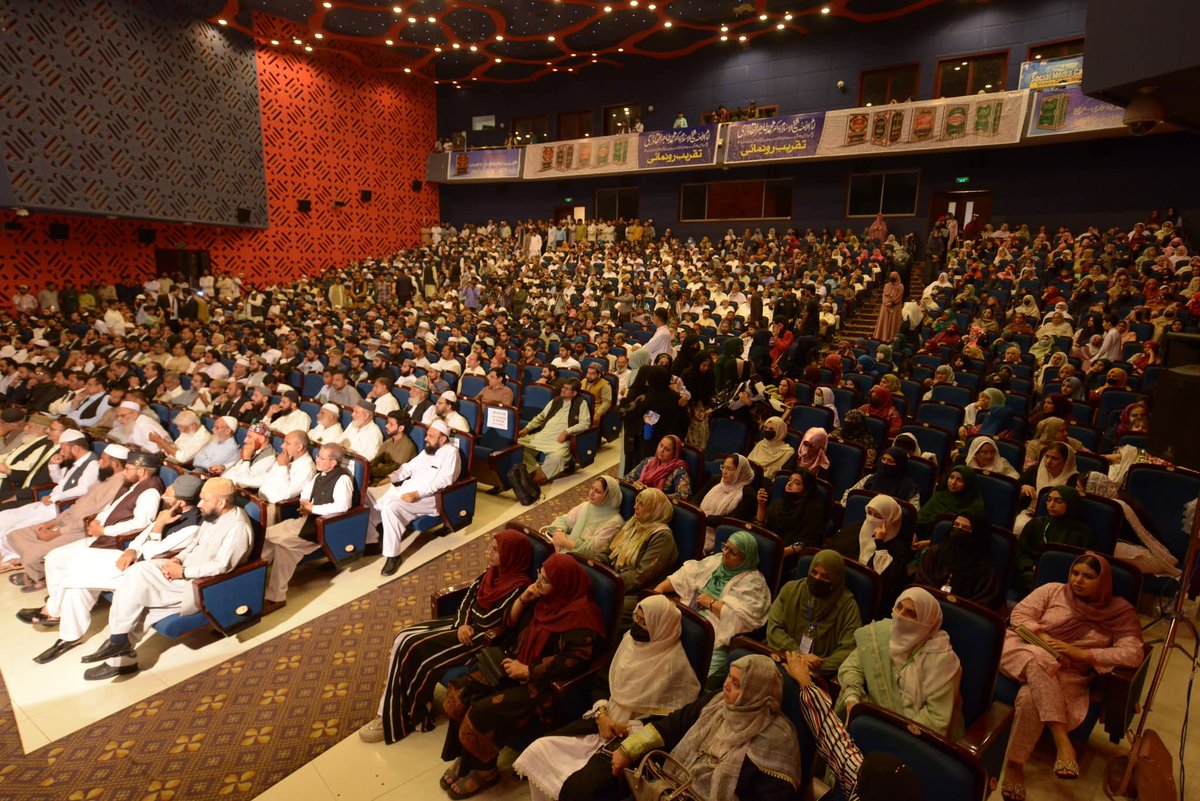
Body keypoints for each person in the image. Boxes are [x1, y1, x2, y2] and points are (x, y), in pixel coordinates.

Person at [440, 553, 605, 799]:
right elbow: (508, 625)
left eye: (546, 579)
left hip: (543, 686)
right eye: (540, 574)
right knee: (466, 688)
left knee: (484, 709)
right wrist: (523, 600)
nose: (538, 582)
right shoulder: (544, 597)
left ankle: (484, 771)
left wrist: (529, 670)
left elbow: (574, 660)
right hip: (514, 665)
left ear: (563, 584)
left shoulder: (580, 616)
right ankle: (466, 761)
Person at [514, 595, 701, 801]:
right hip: (601, 723)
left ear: (661, 627)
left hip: (631, 740)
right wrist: (601, 714)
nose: (636, 626)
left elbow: (670, 722)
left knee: (580, 788)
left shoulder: (675, 669)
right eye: (636, 618)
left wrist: (629, 727)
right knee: (539, 749)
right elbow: (603, 682)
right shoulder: (628, 641)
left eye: (644, 622)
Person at [359, 529, 532, 744]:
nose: (489, 553)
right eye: (491, 547)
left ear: (511, 555)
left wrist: (468, 626)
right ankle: (393, 707)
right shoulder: (493, 573)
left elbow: (491, 620)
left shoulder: (517, 586)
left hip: (479, 639)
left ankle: (405, 717)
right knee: (403, 636)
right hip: (465, 628)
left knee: (413, 647)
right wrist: (462, 623)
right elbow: (469, 599)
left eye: (496, 550)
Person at [75, 476, 253, 679]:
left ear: (221, 502)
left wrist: (183, 573)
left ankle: (120, 654)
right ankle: (119, 642)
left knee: (139, 599)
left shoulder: (237, 527)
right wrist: (177, 559)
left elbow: (222, 567)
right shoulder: (213, 516)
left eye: (204, 499)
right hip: (184, 571)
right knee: (137, 571)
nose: (199, 504)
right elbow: (193, 546)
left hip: (200, 585)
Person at [1000, 552, 1144, 801]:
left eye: (1088, 576)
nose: (1078, 580)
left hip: (1068, 672)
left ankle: (1014, 765)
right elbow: (1019, 616)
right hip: (1022, 650)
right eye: (1075, 573)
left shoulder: (1119, 612)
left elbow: (1132, 654)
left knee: (1029, 698)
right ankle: (1062, 742)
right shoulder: (1053, 590)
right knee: (1039, 660)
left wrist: (1084, 654)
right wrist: (1045, 640)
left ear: (1103, 581)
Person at [21, 475, 204, 664]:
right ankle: (69, 636)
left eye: (168, 494)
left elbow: (152, 555)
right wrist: (132, 548)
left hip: (145, 574)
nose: (163, 496)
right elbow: (140, 539)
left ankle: (56, 616)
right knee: (79, 568)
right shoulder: (168, 511)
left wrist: (158, 526)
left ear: (180, 503)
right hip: (131, 558)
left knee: (76, 577)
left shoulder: (191, 528)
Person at [608, 654, 802, 801]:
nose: (726, 685)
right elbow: (675, 723)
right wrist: (629, 749)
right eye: (728, 677)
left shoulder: (777, 738)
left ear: (755, 693)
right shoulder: (717, 702)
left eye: (736, 684)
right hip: (671, 789)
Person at [784, 652, 927, 801]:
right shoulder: (869, 784)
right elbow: (834, 738)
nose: (858, 780)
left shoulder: (871, 789)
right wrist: (805, 682)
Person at [837, 587, 964, 739]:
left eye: (911, 613)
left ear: (927, 621)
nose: (900, 616)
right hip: (872, 721)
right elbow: (851, 667)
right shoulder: (880, 634)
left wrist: (889, 736)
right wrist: (852, 700)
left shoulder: (944, 662)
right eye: (899, 607)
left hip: (914, 738)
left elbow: (936, 720)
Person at [5, 444, 130, 589]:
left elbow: (93, 518)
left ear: (114, 464)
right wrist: (52, 522)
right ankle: (38, 569)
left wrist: (56, 533)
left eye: (102, 459)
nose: (99, 462)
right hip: (67, 520)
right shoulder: (104, 477)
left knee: (31, 556)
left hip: (80, 530)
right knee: (14, 535)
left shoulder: (120, 485)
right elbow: (78, 504)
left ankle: (40, 579)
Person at [654, 530, 771, 677]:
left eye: (732, 552)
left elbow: (741, 621)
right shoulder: (716, 561)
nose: (725, 553)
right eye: (725, 547)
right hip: (686, 614)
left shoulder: (753, 583)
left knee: (689, 676)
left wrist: (711, 603)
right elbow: (685, 576)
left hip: (714, 633)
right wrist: (660, 590)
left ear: (745, 559)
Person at [259, 443, 356, 613]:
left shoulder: (343, 479)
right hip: (304, 520)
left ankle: (276, 598)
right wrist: (305, 502)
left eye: (321, 458)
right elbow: (306, 491)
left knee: (284, 546)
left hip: (322, 527)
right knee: (265, 535)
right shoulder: (320, 475)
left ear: (333, 462)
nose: (317, 459)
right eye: (318, 456)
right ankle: (253, 582)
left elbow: (342, 506)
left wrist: (313, 509)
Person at [372, 419, 461, 575]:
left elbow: (444, 481)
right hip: (406, 491)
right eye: (427, 435)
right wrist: (391, 478)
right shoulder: (429, 449)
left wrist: (417, 494)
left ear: (443, 439)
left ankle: (392, 556)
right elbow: (409, 467)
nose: (426, 438)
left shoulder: (451, 453)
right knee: (369, 495)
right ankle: (372, 541)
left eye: (431, 436)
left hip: (429, 499)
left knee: (390, 507)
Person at [767, 549, 861, 678]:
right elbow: (774, 629)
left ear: (836, 579)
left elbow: (849, 648)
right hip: (781, 658)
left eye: (825, 576)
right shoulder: (791, 590)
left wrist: (820, 665)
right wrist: (798, 656)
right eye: (814, 573)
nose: (817, 579)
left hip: (818, 675)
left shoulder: (848, 606)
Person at [603, 487, 677, 623]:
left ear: (654, 509)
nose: (635, 506)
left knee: (605, 603)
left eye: (641, 504)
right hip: (617, 578)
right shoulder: (634, 522)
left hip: (641, 590)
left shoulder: (662, 537)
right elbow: (609, 549)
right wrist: (597, 566)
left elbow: (641, 576)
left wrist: (610, 582)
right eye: (637, 502)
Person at [831, 493, 910, 612]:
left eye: (878, 516)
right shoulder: (853, 530)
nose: (871, 519)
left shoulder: (898, 548)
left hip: (868, 603)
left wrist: (880, 544)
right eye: (869, 512)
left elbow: (887, 582)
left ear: (890, 520)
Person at [1013, 486, 1094, 596]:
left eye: (1058, 501)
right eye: (1049, 500)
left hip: (1067, 580)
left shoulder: (1084, 533)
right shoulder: (1036, 524)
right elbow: (1021, 552)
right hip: (1033, 574)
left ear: (1070, 504)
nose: (1051, 505)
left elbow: (1087, 564)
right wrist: (1031, 567)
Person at [915, 512, 1002, 609]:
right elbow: (921, 581)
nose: (959, 530)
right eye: (956, 525)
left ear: (977, 534)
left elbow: (982, 603)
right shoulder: (935, 552)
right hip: (927, 606)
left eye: (965, 528)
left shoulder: (986, 570)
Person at [516, 378, 591, 488]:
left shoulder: (581, 403)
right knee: (516, 446)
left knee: (558, 457)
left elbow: (585, 423)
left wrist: (567, 431)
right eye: (563, 387)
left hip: (559, 440)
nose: (563, 390)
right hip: (543, 435)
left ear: (574, 393)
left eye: (566, 389)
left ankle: (540, 475)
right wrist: (527, 428)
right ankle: (536, 470)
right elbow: (541, 417)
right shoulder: (556, 400)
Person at [544, 475, 623, 557]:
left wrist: (563, 541)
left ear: (609, 497)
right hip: (566, 551)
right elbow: (563, 520)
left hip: (583, 562)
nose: (591, 493)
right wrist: (559, 532)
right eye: (592, 488)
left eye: (598, 492)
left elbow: (591, 551)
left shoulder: (615, 522)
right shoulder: (587, 506)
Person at [755, 468, 828, 555]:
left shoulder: (813, 511)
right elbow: (761, 526)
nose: (789, 484)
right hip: (768, 548)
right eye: (789, 480)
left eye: (796, 483)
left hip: (791, 556)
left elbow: (806, 542)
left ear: (806, 490)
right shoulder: (778, 504)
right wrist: (761, 506)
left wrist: (780, 553)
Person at [695, 454, 757, 550]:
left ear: (740, 472)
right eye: (723, 467)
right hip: (699, 526)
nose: (724, 472)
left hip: (723, 539)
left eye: (729, 469)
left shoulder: (748, 494)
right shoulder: (715, 481)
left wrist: (702, 517)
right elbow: (695, 500)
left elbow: (730, 521)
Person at [1014, 442, 1078, 535]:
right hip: (1029, 514)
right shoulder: (1034, 470)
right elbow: (1014, 491)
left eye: (1054, 459)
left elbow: (1072, 509)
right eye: (1046, 456)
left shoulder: (1074, 479)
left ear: (1066, 462)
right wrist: (1022, 489)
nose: (1048, 461)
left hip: (1057, 522)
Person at [915, 465, 986, 540]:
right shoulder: (940, 497)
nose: (953, 482)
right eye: (951, 477)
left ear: (968, 483)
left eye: (959, 480)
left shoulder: (974, 506)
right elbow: (920, 521)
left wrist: (930, 543)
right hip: (924, 538)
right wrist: (914, 535)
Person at [843, 446, 920, 507]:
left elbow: (913, 512)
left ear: (900, 465)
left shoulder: (909, 487)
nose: (885, 463)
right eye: (883, 459)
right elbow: (849, 494)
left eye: (890, 461)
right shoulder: (871, 478)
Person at [623, 433, 691, 501]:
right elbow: (626, 479)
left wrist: (654, 495)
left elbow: (683, 495)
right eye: (661, 445)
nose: (661, 450)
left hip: (660, 507)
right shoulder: (648, 461)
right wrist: (635, 485)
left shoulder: (679, 471)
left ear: (674, 454)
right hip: (639, 501)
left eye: (667, 449)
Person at [872, 272, 905, 341]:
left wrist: (892, 303)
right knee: (884, 320)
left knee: (893, 321)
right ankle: (881, 336)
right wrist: (886, 302)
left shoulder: (900, 286)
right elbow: (884, 295)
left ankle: (891, 337)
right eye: (891, 276)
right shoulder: (886, 285)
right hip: (885, 306)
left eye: (894, 276)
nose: (892, 277)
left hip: (895, 306)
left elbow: (899, 297)